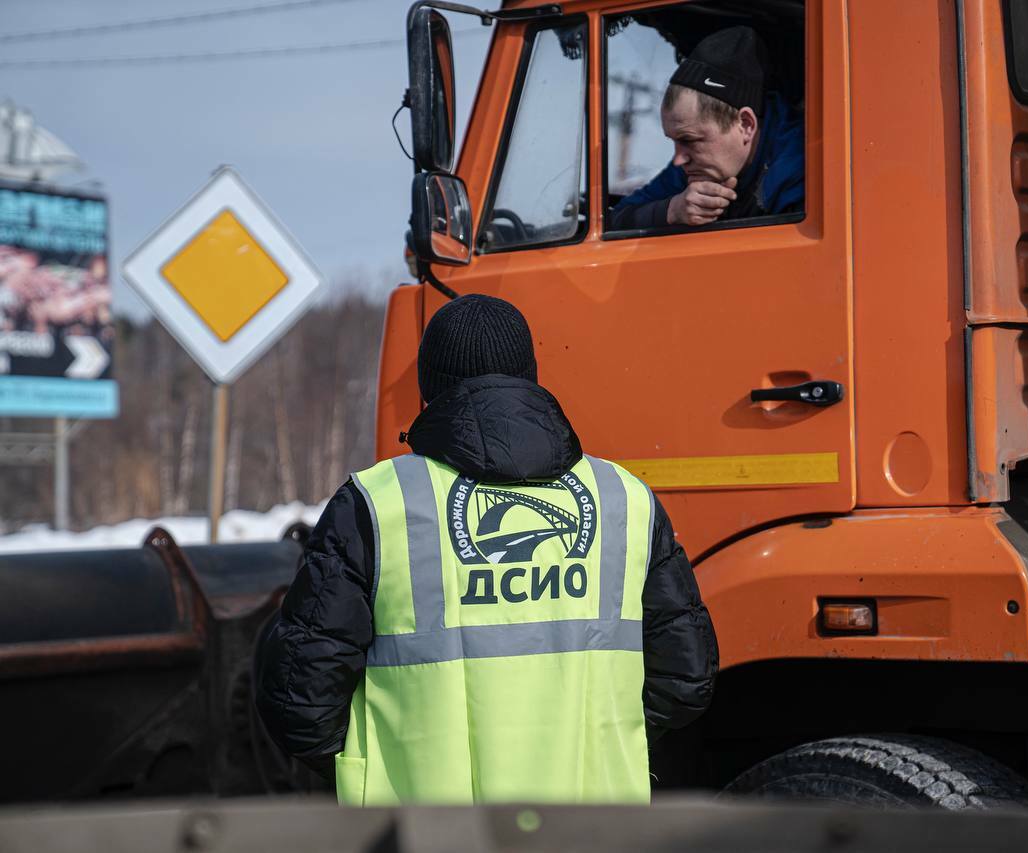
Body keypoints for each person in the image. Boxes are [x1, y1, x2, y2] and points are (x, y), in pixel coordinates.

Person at [255, 294, 718, 805]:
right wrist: (602, 748)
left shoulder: (377, 503)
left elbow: (302, 697)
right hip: (594, 829)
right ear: (530, 379)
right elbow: (685, 677)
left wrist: (379, 766)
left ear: (428, 388)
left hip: (420, 830)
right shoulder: (624, 498)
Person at [609, 26, 804, 230]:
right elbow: (617, 220)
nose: (679, 159)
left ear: (746, 125)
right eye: (674, 141)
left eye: (689, 140)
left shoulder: (801, 172)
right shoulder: (691, 169)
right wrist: (672, 210)